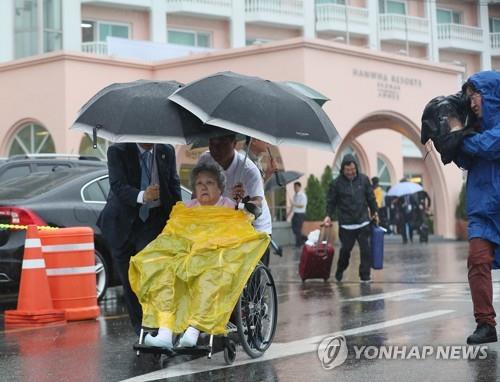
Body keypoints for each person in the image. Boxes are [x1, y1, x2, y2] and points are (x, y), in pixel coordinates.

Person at [131, 163, 268, 348]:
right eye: (199, 183)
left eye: (210, 182)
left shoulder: (232, 208)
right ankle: (165, 331)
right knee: (161, 270)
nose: (203, 187)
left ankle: (194, 330)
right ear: (194, 189)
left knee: (209, 274)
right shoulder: (185, 210)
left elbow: (239, 234)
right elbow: (171, 236)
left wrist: (243, 202)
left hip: (216, 255)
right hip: (185, 254)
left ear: (220, 187)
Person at [97, 142, 181, 335]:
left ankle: (155, 326)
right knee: (129, 281)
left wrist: (180, 215)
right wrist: (143, 195)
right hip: (121, 223)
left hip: (151, 222)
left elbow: (173, 184)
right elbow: (117, 186)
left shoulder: (166, 151)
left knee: (149, 276)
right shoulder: (118, 151)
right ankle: (140, 329)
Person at [453, 72, 500, 344]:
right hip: (482, 210)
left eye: (476, 95)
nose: (472, 102)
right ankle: (485, 324)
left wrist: (460, 139)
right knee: (478, 262)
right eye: (469, 96)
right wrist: (449, 142)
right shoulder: (474, 129)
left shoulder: (483, 134)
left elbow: (490, 146)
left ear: (491, 96)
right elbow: (465, 159)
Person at [198, 133, 273, 266]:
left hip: (254, 227)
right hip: (223, 223)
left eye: (222, 145)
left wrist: (244, 202)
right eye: (213, 144)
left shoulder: (249, 170)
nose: (217, 150)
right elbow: (196, 194)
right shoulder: (205, 159)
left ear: (234, 143)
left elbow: (257, 202)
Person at [323, 154, 378, 283]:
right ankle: (340, 268)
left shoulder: (364, 180)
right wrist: (328, 216)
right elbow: (331, 202)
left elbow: (371, 198)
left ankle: (365, 276)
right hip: (346, 224)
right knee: (345, 251)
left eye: (352, 170)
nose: (350, 172)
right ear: (343, 169)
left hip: (363, 221)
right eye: (347, 170)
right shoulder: (336, 184)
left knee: (366, 250)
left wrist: (375, 211)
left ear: (356, 168)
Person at [289, 181, 308, 247]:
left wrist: (293, 204)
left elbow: (302, 205)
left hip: (300, 214)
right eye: (294, 187)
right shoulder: (295, 195)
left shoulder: (302, 195)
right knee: (294, 229)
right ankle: (304, 239)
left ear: (299, 187)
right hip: (295, 214)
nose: (295, 188)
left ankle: (298, 244)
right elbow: (293, 206)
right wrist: (289, 213)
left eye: (296, 187)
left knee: (298, 229)